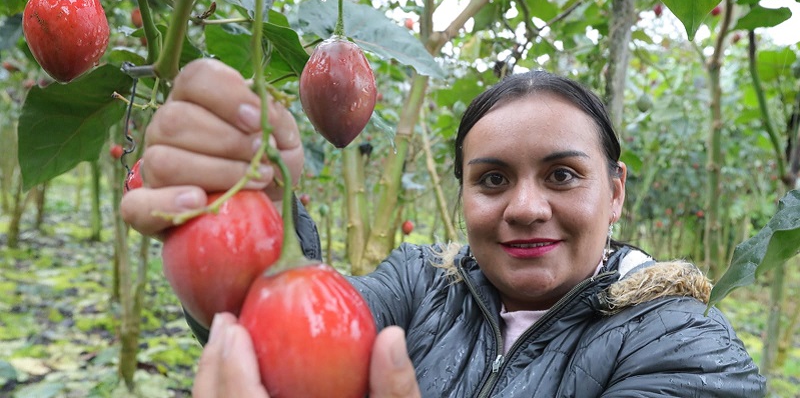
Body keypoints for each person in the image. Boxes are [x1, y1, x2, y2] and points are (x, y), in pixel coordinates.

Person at [121, 58, 767, 397]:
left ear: (616, 190)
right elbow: (302, 330)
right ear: (461, 193)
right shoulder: (423, 283)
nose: (525, 207)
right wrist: (251, 212)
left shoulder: (684, 342)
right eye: (491, 179)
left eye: (562, 175)